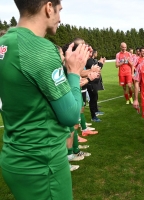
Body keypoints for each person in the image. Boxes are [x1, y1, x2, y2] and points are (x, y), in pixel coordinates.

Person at [0, 0, 91, 199]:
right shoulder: (40, 48)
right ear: (49, 7)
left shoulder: (4, 42)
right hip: (42, 163)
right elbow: (70, 115)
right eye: (59, 10)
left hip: (14, 156)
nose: (60, 17)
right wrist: (74, 72)